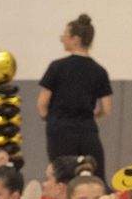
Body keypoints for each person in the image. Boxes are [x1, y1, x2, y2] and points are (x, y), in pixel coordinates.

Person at [38, 14, 112, 178]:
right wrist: (89, 119)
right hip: (87, 132)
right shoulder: (99, 71)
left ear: (75, 39)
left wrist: (49, 119)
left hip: (60, 130)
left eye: (64, 35)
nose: (62, 39)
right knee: (95, 178)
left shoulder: (57, 67)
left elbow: (42, 103)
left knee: (64, 179)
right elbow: (106, 109)